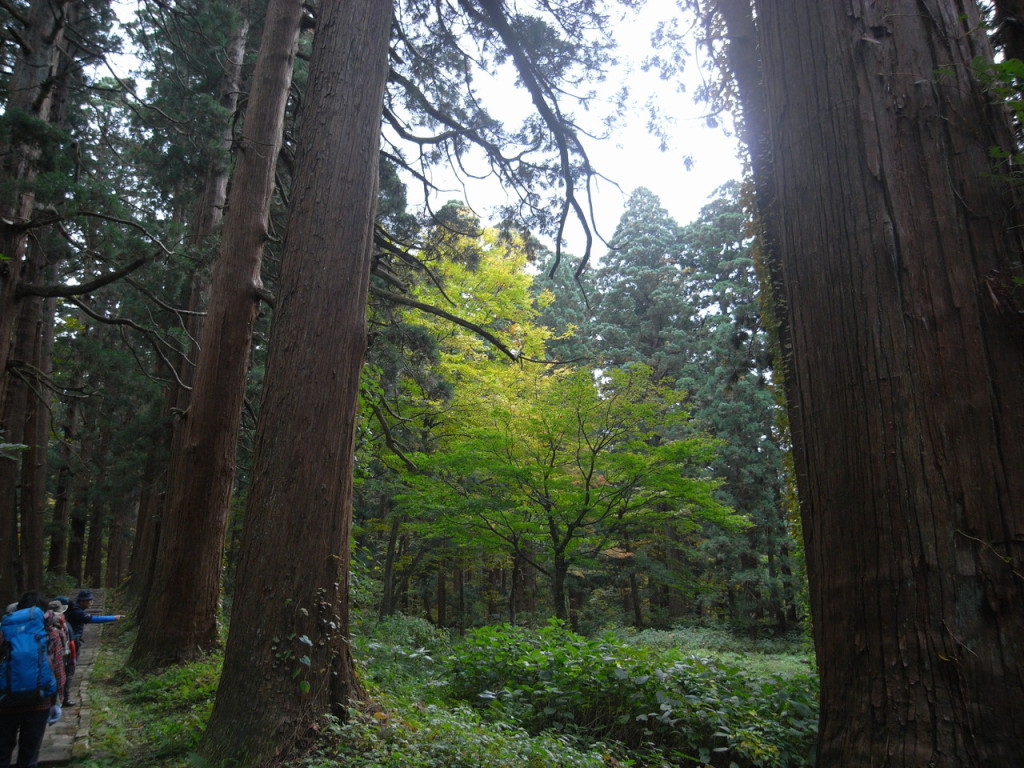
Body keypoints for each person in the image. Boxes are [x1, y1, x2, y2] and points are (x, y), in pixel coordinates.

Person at [0, 592, 59, 768]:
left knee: (2, 751)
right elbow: (57, 667)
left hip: (5, 700)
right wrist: (56, 702)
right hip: (39, 700)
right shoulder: (50, 632)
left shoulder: (4, 628)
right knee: (29, 754)